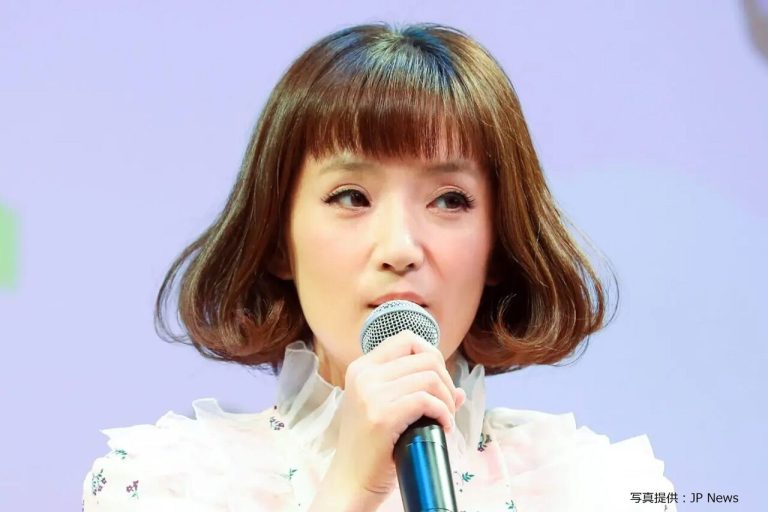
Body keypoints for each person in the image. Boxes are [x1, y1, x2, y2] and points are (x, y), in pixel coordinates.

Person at [82, 22, 676, 511]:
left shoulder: (598, 489)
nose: (400, 247)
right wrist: (349, 489)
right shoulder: (170, 484)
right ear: (278, 240)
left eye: (449, 200)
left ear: (498, 244)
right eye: (352, 197)